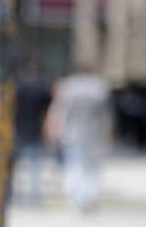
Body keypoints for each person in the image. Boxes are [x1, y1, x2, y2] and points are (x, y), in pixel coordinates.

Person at [46, 65, 113, 213]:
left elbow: (59, 112)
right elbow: (106, 114)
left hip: (72, 133)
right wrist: (107, 132)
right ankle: (88, 196)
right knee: (91, 167)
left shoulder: (68, 86)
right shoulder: (99, 87)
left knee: (74, 165)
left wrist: (56, 131)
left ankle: (76, 198)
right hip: (93, 133)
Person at [13, 61, 52, 205]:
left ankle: (10, 196)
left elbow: (12, 109)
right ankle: (33, 198)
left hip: (18, 128)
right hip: (35, 130)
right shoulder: (41, 89)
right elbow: (47, 112)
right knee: (34, 167)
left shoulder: (18, 87)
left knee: (12, 166)